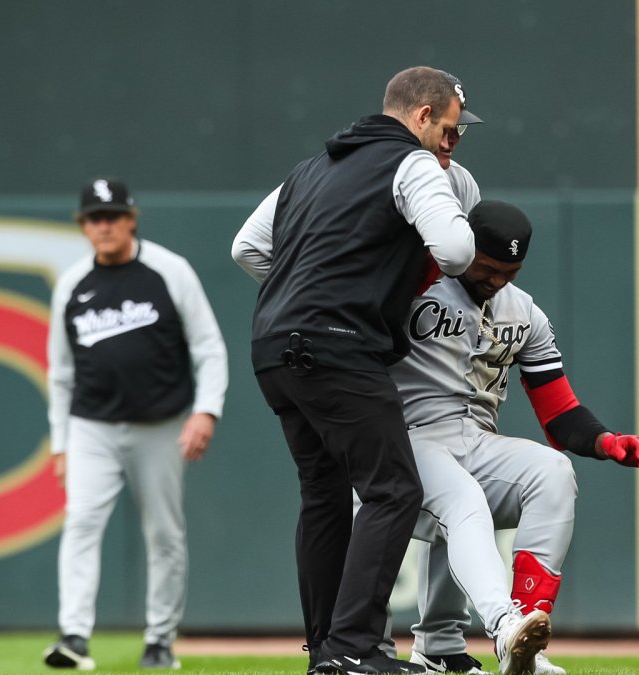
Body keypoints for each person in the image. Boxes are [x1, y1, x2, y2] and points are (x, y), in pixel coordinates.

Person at [235, 66, 547, 675]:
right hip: (340, 346)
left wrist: (308, 290)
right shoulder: (414, 165)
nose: (454, 145)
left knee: (323, 495)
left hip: (275, 347)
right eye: (451, 131)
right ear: (422, 115)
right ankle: (355, 648)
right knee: (394, 490)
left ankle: (326, 652)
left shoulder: (310, 168)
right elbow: (457, 250)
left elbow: (247, 247)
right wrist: (354, 293)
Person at [395, 200, 639, 675]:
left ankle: (515, 645)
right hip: (405, 438)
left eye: (509, 272)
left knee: (552, 471)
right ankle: (500, 625)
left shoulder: (522, 311)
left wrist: (607, 442)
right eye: (488, 268)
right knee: (464, 497)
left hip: (474, 441)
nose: (496, 280)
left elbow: (560, 412)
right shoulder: (413, 286)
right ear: (463, 248)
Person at [43, 178, 228, 671]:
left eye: (112, 216)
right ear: (83, 226)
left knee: (164, 533)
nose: (103, 226)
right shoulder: (72, 284)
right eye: (94, 218)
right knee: (81, 521)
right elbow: (61, 373)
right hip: (91, 426)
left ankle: (160, 641)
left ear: (131, 219)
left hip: (161, 423)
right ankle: (74, 636)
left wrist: (206, 410)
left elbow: (208, 347)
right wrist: (60, 442)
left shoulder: (169, 271)